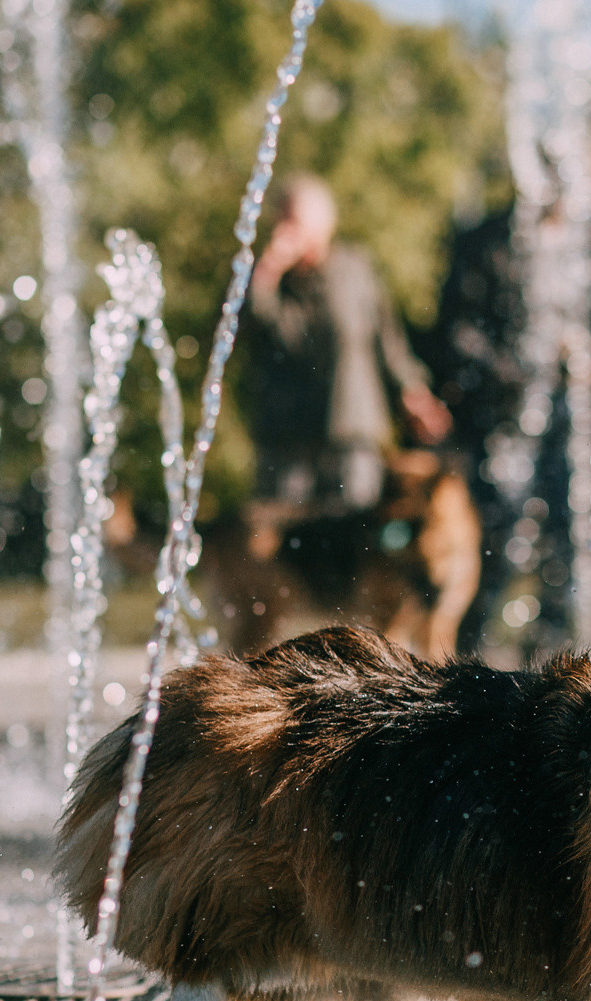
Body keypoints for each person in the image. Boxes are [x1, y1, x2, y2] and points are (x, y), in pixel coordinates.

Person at [215, 173, 479, 659]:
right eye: (280, 217)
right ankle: (273, 666)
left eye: (294, 217)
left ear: (324, 222)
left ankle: (358, 662)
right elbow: (242, 337)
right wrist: (266, 274)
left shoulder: (354, 269)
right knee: (276, 564)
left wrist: (413, 391)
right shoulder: (263, 280)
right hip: (286, 443)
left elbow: (387, 338)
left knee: (362, 556)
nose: (284, 227)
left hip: (352, 434)